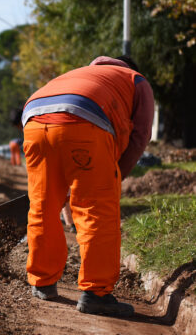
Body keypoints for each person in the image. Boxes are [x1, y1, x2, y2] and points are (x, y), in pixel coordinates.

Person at [21, 56, 154, 317]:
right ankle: (97, 293)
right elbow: (140, 136)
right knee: (96, 209)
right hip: (82, 119)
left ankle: (43, 281)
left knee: (43, 205)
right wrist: (116, 175)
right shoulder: (136, 80)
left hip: (34, 120)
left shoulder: (79, 73)